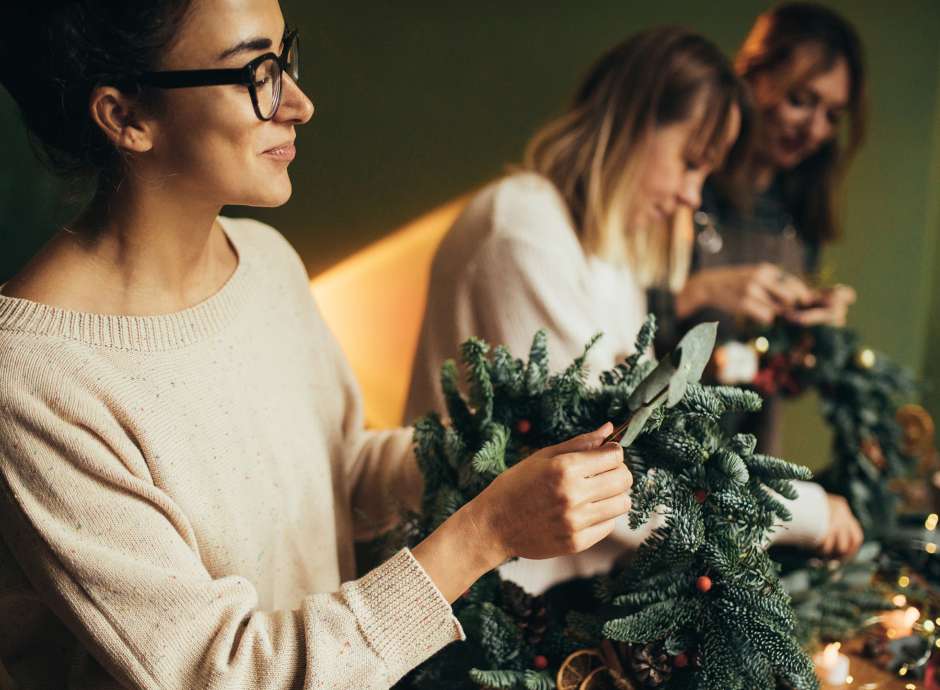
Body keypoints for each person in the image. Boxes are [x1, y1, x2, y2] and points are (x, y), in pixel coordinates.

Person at [0, 1, 634, 688]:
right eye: (255, 73)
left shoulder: (267, 262)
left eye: (284, 59)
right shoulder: (34, 374)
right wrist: (485, 534)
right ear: (126, 117)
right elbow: (225, 671)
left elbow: (341, 474)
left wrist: (493, 462)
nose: (298, 103)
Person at [405, 27, 862, 593]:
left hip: (577, 590)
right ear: (632, 123)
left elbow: (647, 433)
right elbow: (606, 485)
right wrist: (808, 513)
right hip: (487, 600)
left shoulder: (610, 254)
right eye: (691, 163)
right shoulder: (523, 232)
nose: (693, 196)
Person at [650, 3, 866, 461]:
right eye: (801, 100)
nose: (815, 130)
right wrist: (698, 292)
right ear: (753, 75)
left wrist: (815, 341)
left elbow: (779, 380)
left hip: (746, 467)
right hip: (653, 457)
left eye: (833, 115)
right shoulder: (680, 187)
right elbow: (613, 328)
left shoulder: (800, 218)